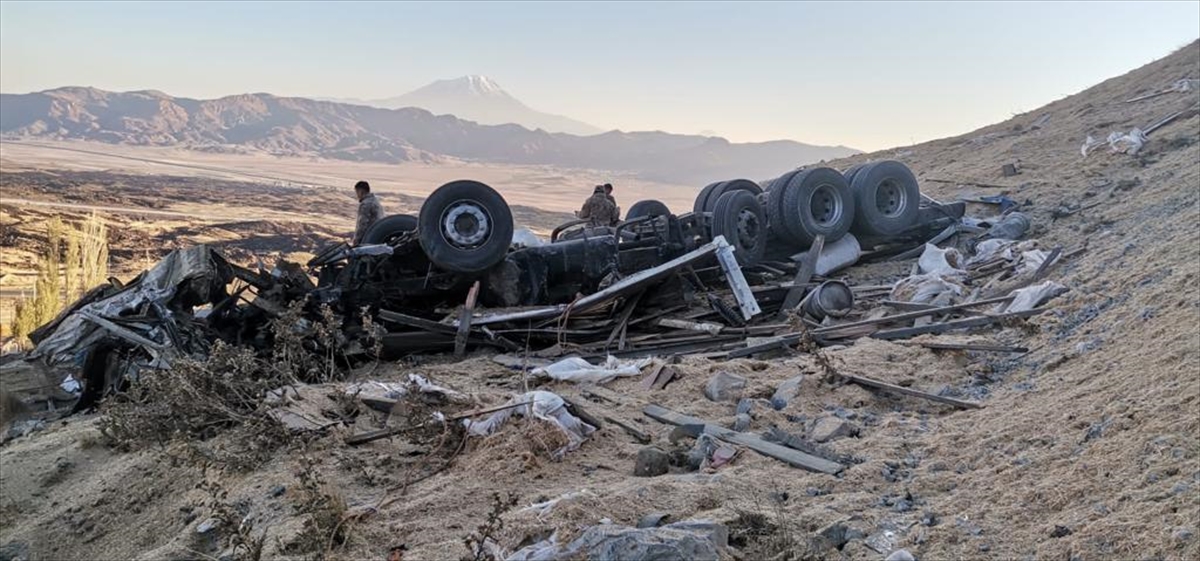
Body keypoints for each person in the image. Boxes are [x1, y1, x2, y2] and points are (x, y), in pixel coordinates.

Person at [352, 180, 385, 245]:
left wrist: (357, 240)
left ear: (361, 191)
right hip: (377, 236)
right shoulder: (375, 201)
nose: (357, 195)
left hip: (369, 238)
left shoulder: (366, 204)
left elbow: (362, 224)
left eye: (357, 192)